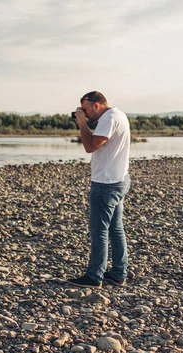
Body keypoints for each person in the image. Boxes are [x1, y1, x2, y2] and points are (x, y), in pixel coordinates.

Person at [67, 91, 131, 288]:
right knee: (115, 228)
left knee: (99, 231)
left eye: (85, 109)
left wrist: (82, 125)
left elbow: (90, 146)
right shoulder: (118, 115)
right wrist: (85, 124)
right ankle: (118, 273)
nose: (84, 114)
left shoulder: (109, 118)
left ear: (96, 105)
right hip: (118, 179)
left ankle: (94, 276)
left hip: (106, 183)